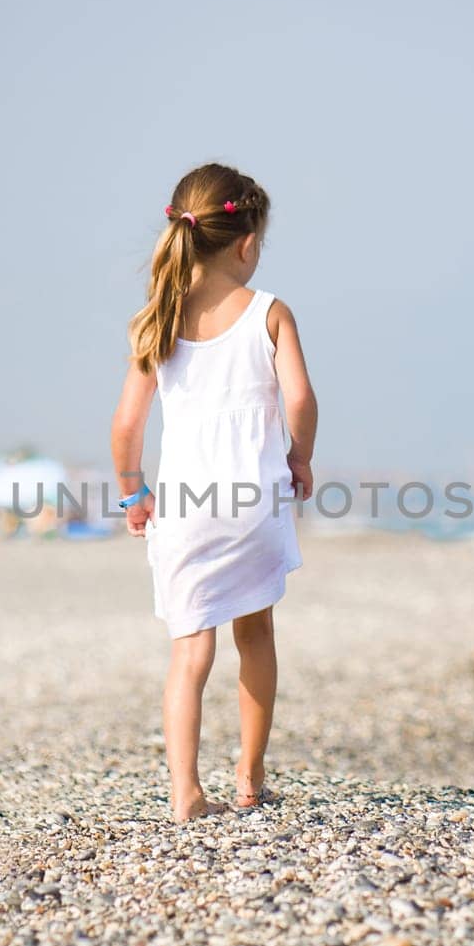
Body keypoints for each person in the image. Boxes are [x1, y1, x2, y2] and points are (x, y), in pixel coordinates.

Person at [110, 163, 318, 822]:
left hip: (184, 511)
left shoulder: (158, 321)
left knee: (189, 648)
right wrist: (299, 456)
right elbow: (302, 399)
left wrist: (132, 496)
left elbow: (126, 428)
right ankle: (250, 780)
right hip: (253, 505)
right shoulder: (269, 313)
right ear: (246, 243)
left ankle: (185, 794)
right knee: (255, 632)